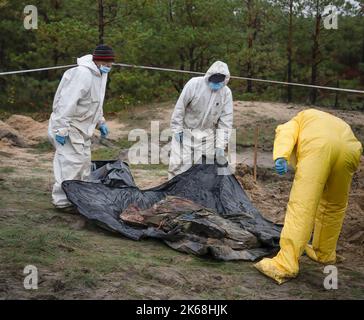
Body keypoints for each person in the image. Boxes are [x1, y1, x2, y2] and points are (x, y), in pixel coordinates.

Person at [254, 109, 363, 284]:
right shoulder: (322, 119)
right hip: (351, 149)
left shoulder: (298, 119)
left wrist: (281, 156)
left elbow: (285, 131)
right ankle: (324, 253)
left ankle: (285, 265)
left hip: (319, 146)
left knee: (302, 206)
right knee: (334, 206)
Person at [48, 45, 115, 208]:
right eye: (108, 63)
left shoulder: (101, 75)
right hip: (70, 126)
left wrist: (101, 122)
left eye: (112, 63)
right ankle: (63, 201)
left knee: (84, 165)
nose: (110, 66)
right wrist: (61, 129)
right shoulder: (82, 74)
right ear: (99, 60)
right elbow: (66, 103)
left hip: (84, 129)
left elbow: (96, 102)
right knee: (70, 165)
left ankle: (78, 198)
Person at [168, 61, 233, 179]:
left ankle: (198, 196)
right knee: (178, 167)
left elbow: (226, 122)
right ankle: (175, 194)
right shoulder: (194, 84)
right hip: (186, 132)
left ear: (225, 80)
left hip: (207, 136)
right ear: (208, 76)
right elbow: (180, 107)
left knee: (204, 171)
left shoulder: (226, 93)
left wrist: (220, 146)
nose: (216, 83)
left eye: (219, 81)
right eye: (214, 80)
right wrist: (177, 129)